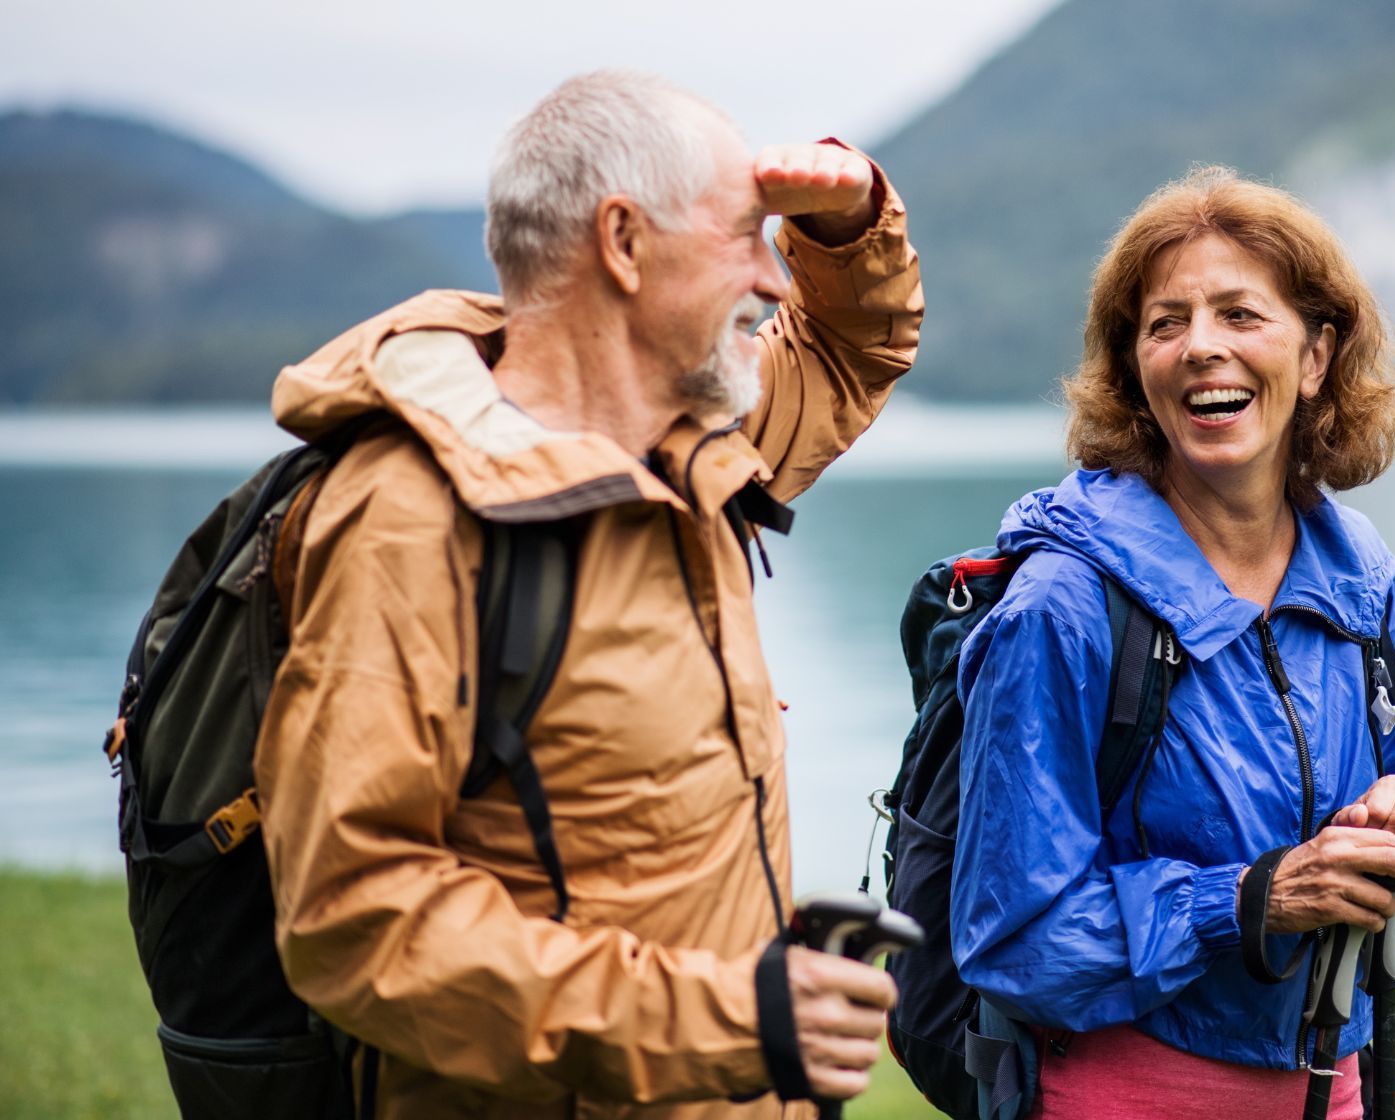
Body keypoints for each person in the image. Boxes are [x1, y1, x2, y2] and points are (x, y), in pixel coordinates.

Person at [252, 71, 920, 1118]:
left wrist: (849, 224)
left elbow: (851, 347)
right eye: (747, 236)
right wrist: (730, 1021)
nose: (774, 279)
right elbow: (355, 914)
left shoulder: (698, 450)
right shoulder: (410, 519)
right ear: (622, 241)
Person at [951, 166, 1395, 1119]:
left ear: (1315, 356)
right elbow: (1011, 939)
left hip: (1333, 1094)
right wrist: (1249, 903)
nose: (1201, 349)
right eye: (1166, 323)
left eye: (1239, 315)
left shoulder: (1360, 579)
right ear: (1136, 373)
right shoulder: (1062, 605)